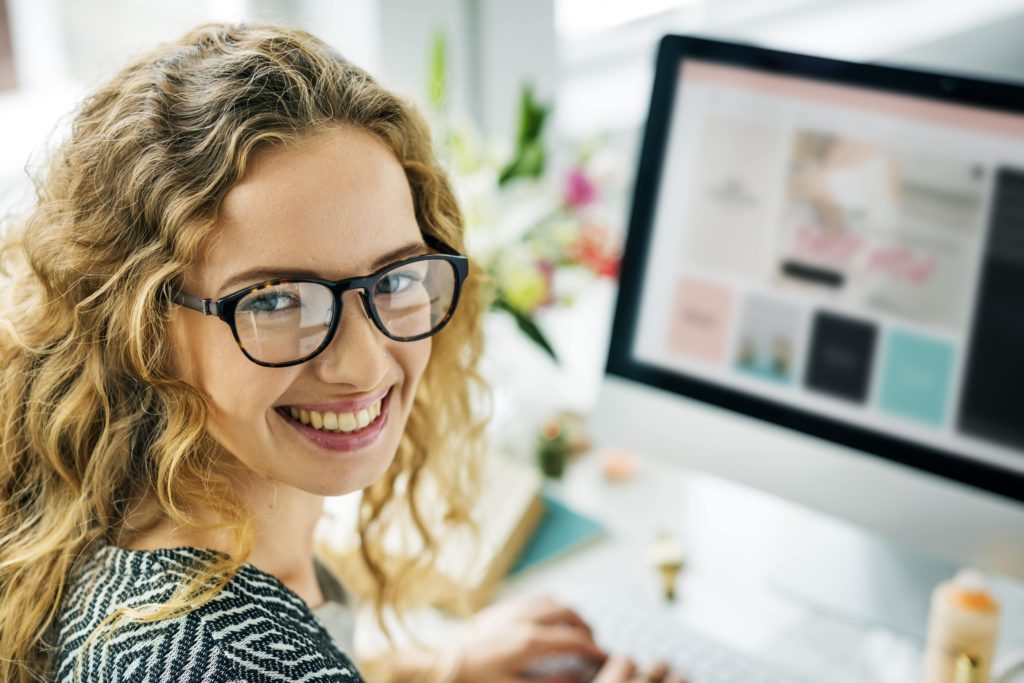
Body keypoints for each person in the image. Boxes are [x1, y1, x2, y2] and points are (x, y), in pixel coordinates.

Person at [0, 21, 684, 683]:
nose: (363, 364)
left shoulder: (147, 518)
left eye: (394, 279)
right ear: (142, 323)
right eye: (272, 300)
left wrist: (435, 668)